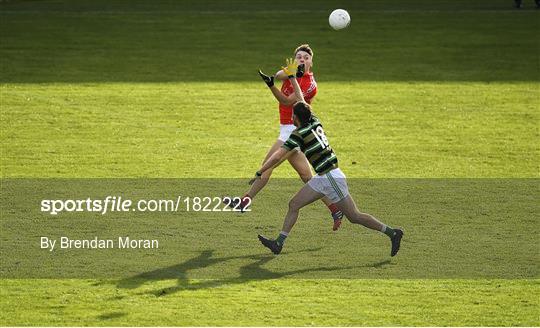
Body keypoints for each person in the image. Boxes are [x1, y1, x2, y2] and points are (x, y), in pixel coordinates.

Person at [252, 60, 404, 257]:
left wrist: (261, 170)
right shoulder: (313, 120)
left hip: (330, 177)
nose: (291, 118)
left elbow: (278, 156)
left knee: (354, 216)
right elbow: (301, 101)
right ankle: (279, 243)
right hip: (324, 177)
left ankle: (392, 233)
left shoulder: (298, 134)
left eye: (293, 116)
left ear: (296, 119)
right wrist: (292, 77)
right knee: (294, 204)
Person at [233, 44, 343, 231]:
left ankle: (245, 201)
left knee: (267, 165)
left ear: (311, 62)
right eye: (299, 57)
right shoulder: (292, 74)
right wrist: (286, 75)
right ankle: (335, 209)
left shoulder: (309, 84)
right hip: (285, 129)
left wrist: (290, 77)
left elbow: (286, 100)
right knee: (307, 176)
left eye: (306, 58)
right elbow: (278, 75)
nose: (302, 59)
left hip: (295, 132)